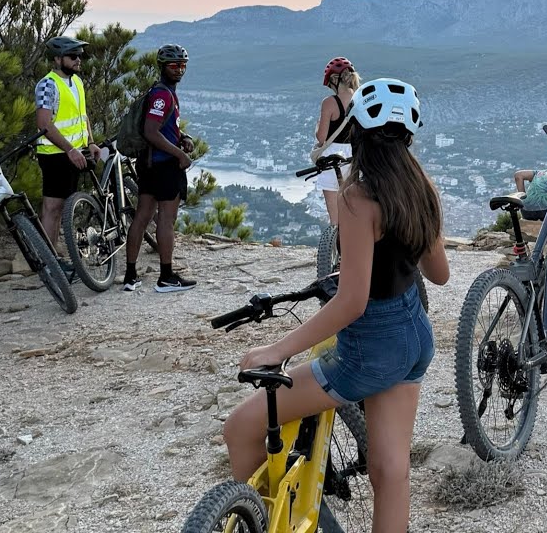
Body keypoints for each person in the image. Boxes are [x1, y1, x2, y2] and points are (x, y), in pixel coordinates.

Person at [223, 77, 449, 533]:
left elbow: (352, 302)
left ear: (357, 136)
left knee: (240, 428)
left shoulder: (357, 198)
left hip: (369, 351)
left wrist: (278, 350)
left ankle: (262, 521)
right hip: (415, 337)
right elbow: (439, 274)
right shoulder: (421, 186)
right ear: (408, 135)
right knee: (391, 471)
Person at [123, 44, 198, 293]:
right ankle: (166, 277)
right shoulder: (163, 95)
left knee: (142, 217)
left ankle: (130, 275)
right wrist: (180, 154)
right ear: (162, 66)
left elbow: (163, 127)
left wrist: (182, 136)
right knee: (166, 220)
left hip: (147, 163)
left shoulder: (160, 92)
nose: (179, 70)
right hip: (164, 166)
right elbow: (151, 131)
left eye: (182, 65)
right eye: (174, 65)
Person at [34, 36, 99, 277]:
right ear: (58, 59)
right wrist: (69, 149)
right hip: (55, 154)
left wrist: (90, 142)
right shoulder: (48, 85)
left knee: (62, 208)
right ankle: (48, 262)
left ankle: (54, 256)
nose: (78, 60)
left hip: (75, 152)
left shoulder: (77, 82)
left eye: (79, 56)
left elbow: (83, 116)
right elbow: (44, 124)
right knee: (52, 208)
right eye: (73, 56)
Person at [312, 57, 361, 225]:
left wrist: (317, 127)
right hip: (355, 156)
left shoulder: (329, 103)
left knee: (335, 217)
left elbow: (321, 138)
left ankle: (335, 246)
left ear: (334, 80)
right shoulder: (361, 100)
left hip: (332, 156)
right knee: (354, 208)